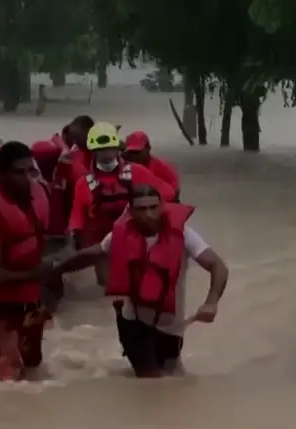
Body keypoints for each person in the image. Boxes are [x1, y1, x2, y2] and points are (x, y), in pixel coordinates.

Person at [50, 184, 229, 378]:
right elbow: (92, 254)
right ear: (131, 211)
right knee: (151, 380)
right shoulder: (120, 235)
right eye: (141, 209)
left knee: (174, 376)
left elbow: (218, 266)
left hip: (172, 325)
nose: (148, 214)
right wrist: (56, 270)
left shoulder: (183, 234)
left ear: (162, 207)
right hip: (133, 320)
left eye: (153, 207)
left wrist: (211, 303)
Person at [0, 142, 53, 381]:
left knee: (33, 369)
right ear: (1, 174)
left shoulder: (40, 196)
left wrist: (46, 288)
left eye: (31, 171)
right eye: (19, 172)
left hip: (31, 299)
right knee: (8, 383)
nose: (27, 179)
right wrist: (39, 273)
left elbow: (41, 246)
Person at [68, 122, 176, 285]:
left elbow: (168, 192)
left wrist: (152, 212)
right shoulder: (83, 183)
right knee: (109, 287)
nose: (106, 153)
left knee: (139, 283)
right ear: (92, 151)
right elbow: (77, 214)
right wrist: (75, 235)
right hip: (101, 244)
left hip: (134, 237)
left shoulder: (137, 171)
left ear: (117, 147)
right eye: (101, 149)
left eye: (110, 148)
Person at [123, 130, 181, 200]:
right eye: (131, 152)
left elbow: (175, 193)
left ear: (148, 148)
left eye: (137, 152)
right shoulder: (123, 165)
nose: (134, 156)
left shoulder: (164, 169)